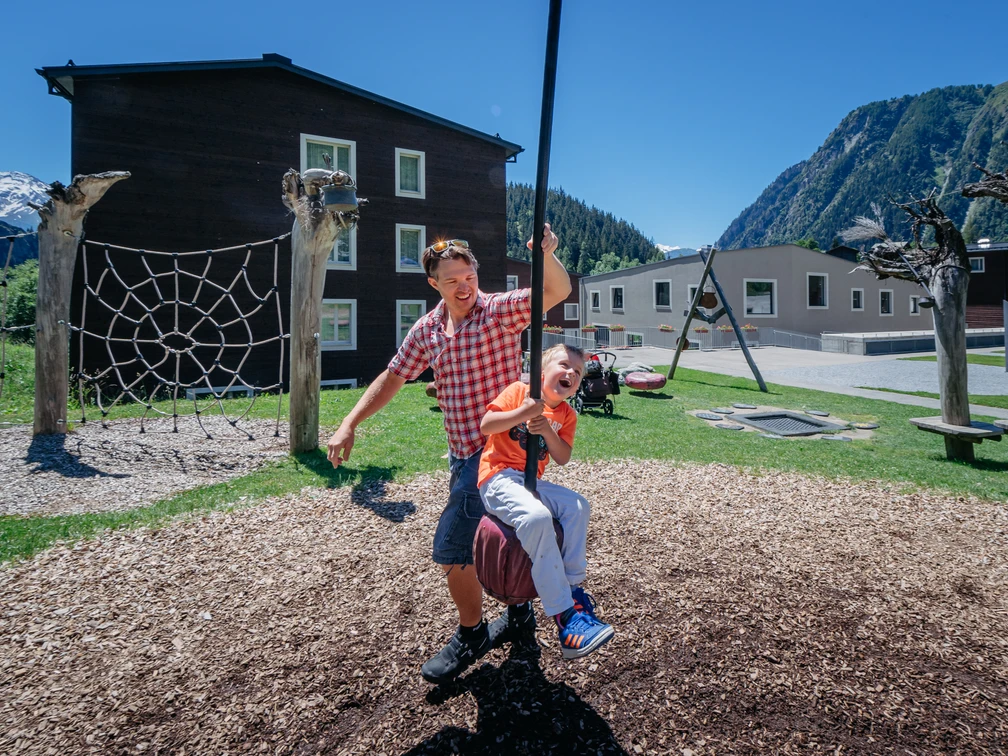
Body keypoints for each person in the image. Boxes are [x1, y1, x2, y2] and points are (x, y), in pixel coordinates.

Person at [326, 225, 572, 684]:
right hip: (464, 454)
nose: (464, 286)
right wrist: (349, 422)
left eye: (469, 275)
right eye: (452, 279)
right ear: (433, 284)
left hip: (502, 450)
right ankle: (518, 619)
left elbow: (555, 289)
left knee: (454, 549)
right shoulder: (427, 332)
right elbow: (393, 377)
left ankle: (473, 632)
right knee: (505, 536)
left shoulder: (497, 311)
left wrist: (547, 254)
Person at [478, 343, 615, 659]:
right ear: (542, 371)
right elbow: (487, 425)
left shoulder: (566, 414)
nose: (571, 373)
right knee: (537, 519)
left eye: (577, 373)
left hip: (531, 482)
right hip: (498, 477)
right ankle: (564, 616)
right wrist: (524, 413)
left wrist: (546, 431)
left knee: (578, 506)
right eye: (565, 365)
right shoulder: (519, 391)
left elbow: (563, 456)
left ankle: (573, 589)